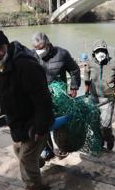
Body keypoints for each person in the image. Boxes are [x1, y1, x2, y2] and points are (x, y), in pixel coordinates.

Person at [0, 16, 54, 190]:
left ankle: (34, 186)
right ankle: (37, 162)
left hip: (34, 120)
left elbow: (43, 100)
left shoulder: (25, 64)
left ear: (5, 42)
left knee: (25, 157)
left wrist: (40, 127)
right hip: (17, 120)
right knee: (18, 150)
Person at [31, 32, 81, 161]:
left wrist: (74, 87)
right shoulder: (31, 56)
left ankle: (63, 145)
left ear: (48, 44)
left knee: (60, 122)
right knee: (43, 123)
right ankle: (48, 150)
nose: (39, 51)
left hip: (60, 95)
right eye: (36, 48)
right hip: (41, 96)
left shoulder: (62, 53)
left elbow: (74, 70)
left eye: (41, 47)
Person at [84, 40, 115, 151]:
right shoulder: (90, 64)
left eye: (103, 50)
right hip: (94, 97)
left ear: (106, 51)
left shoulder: (114, 63)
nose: (101, 53)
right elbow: (86, 77)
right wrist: (86, 92)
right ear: (93, 53)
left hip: (108, 98)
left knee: (105, 125)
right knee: (94, 122)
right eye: (98, 51)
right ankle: (99, 143)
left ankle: (109, 139)